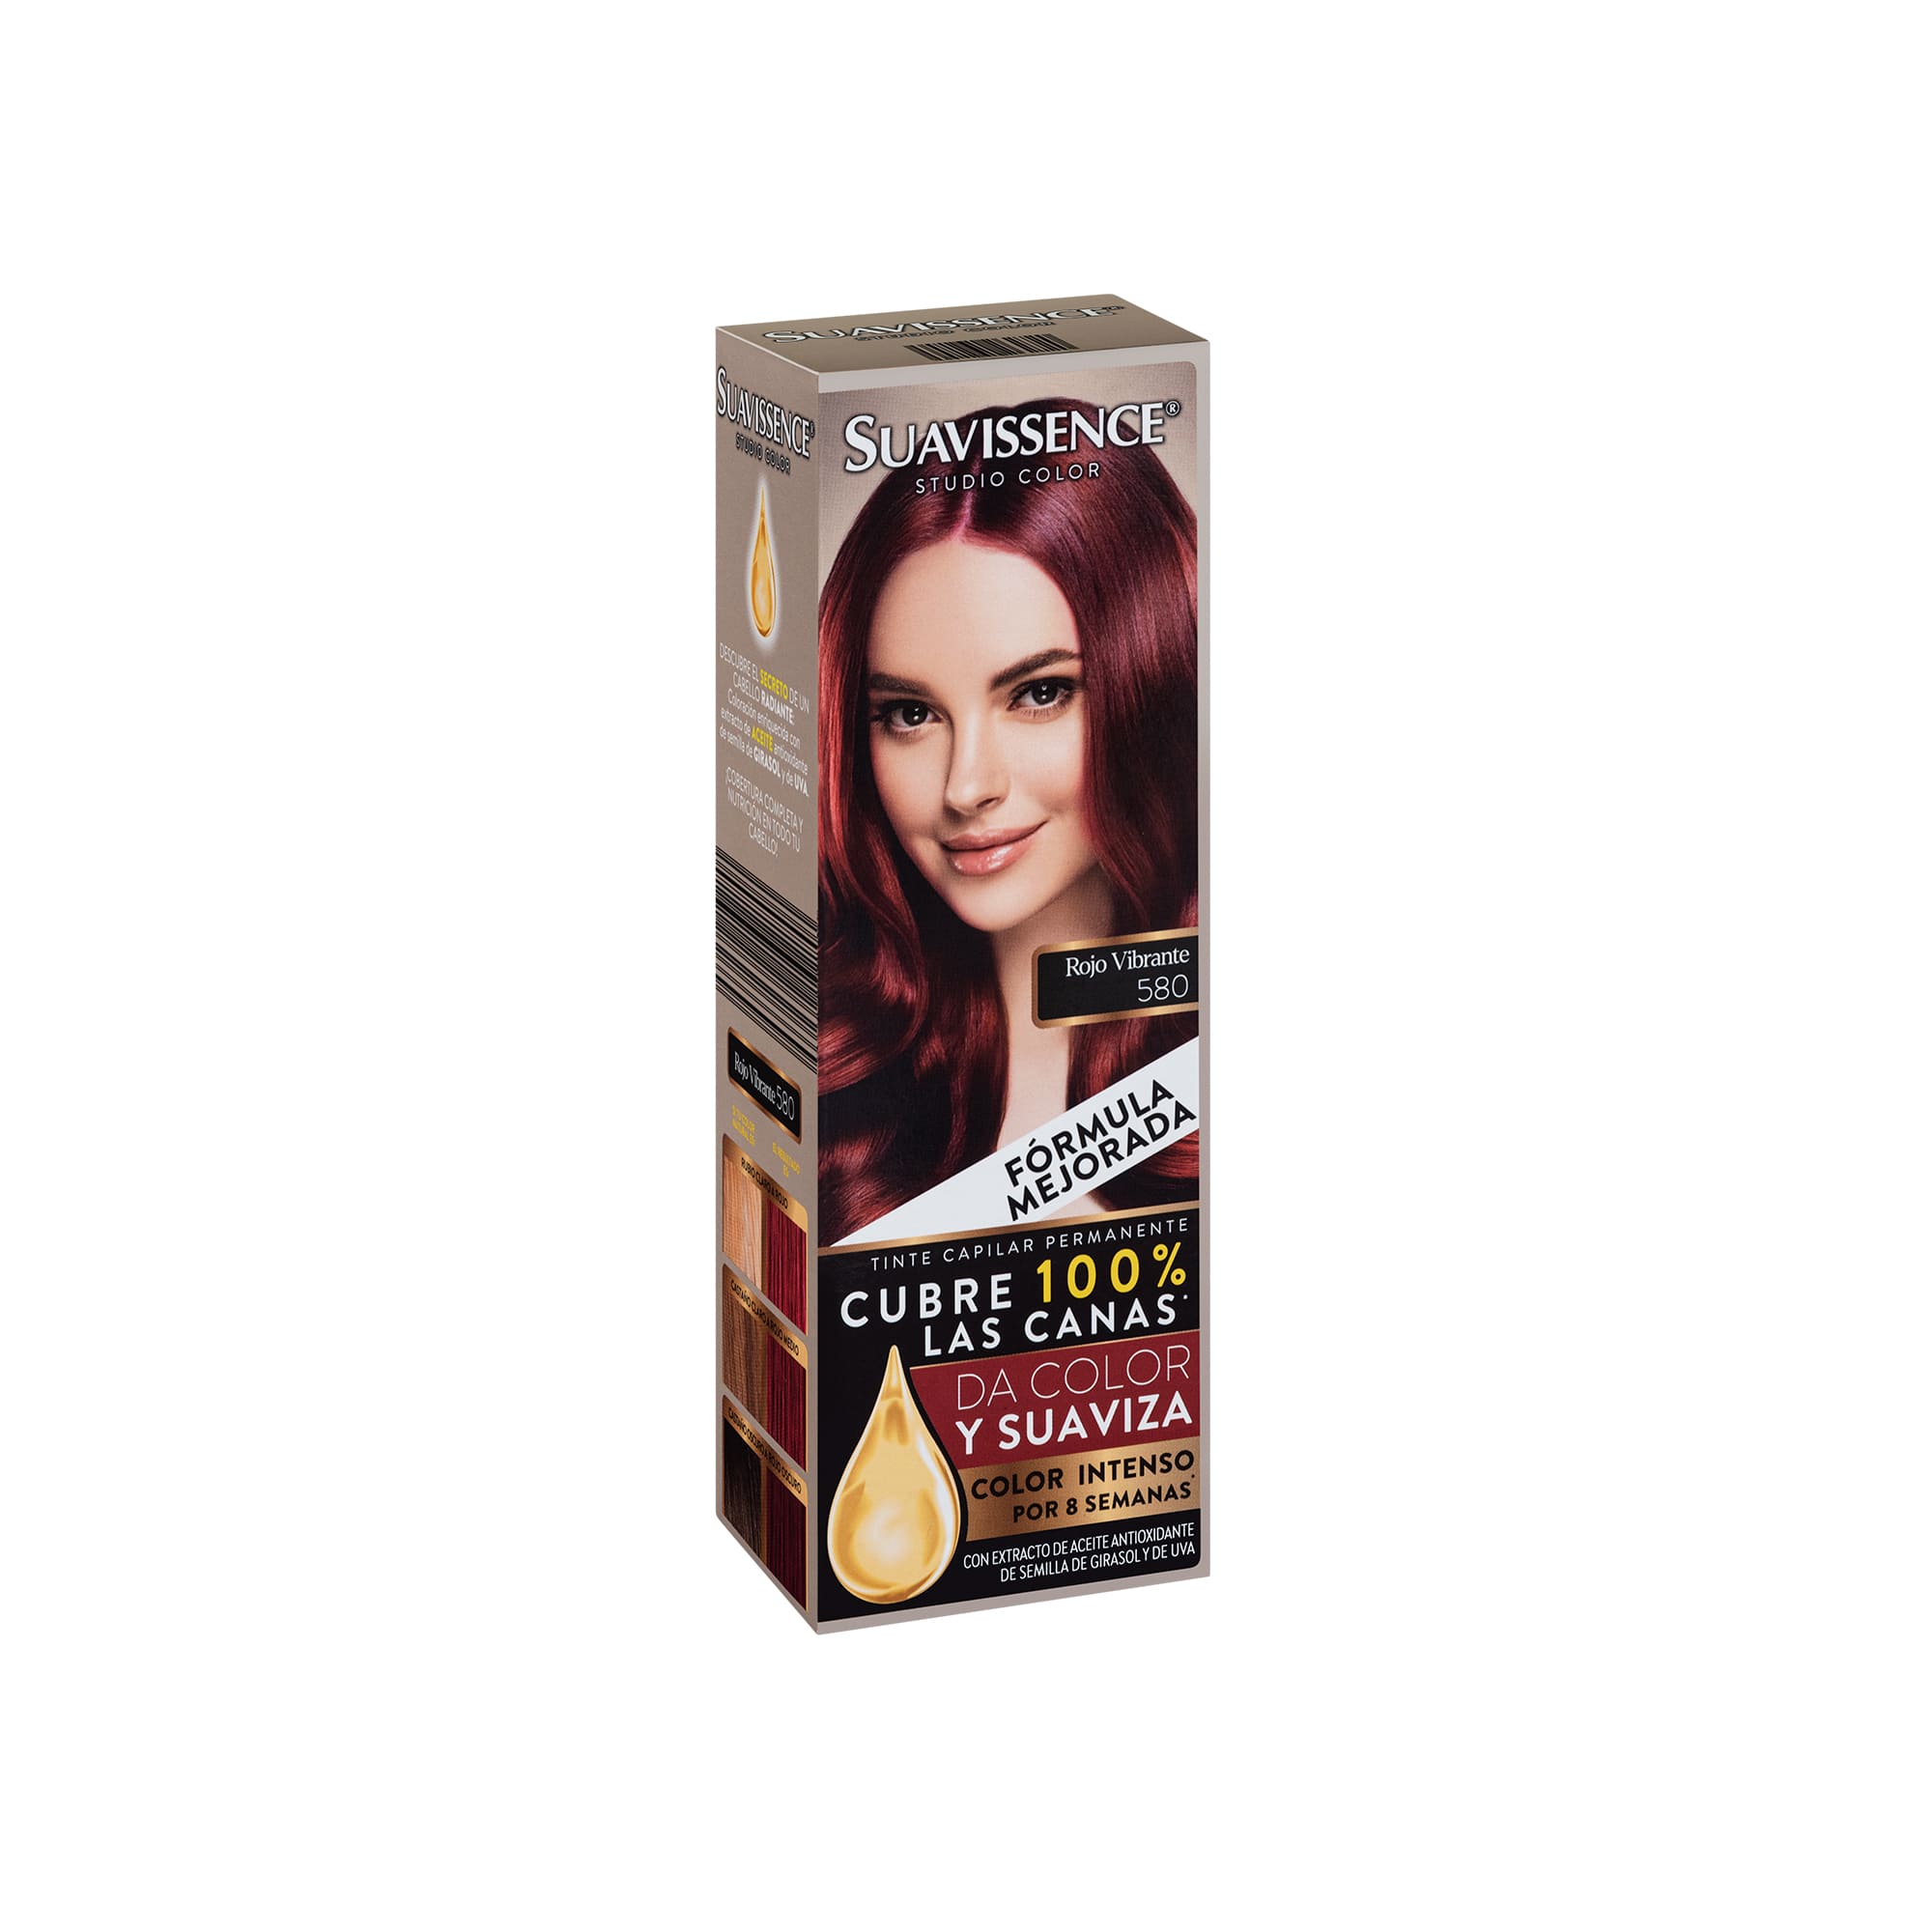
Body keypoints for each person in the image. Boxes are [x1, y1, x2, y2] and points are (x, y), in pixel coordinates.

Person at [817, 401, 1199, 1243]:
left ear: (1156, 682)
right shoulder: (831, 1087)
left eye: (1039, 693)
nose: (967, 787)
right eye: (911, 713)